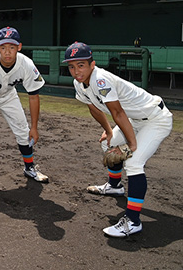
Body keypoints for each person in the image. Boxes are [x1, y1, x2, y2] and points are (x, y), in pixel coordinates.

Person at [63, 42, 172, 237]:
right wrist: (108, 131)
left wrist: (132, 144)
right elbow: (93, 107)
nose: (76, 70)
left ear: (92, 64)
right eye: (71, 66)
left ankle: (133, 221)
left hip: (156, 119)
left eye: (81, 65)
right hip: (134, 119)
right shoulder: (79, 83)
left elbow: (117, 112)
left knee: (134, 162)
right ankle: (115, 187)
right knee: (108, 144)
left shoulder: (101, 79)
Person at [0, 26, 47, 204]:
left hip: (9, 95)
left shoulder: (26, 64)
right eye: (3, 47)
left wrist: (34, 127)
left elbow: (34, 96)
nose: (7, 52)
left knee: (23, 131)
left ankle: (29, 168)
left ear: (19, 47)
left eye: (11, 47)